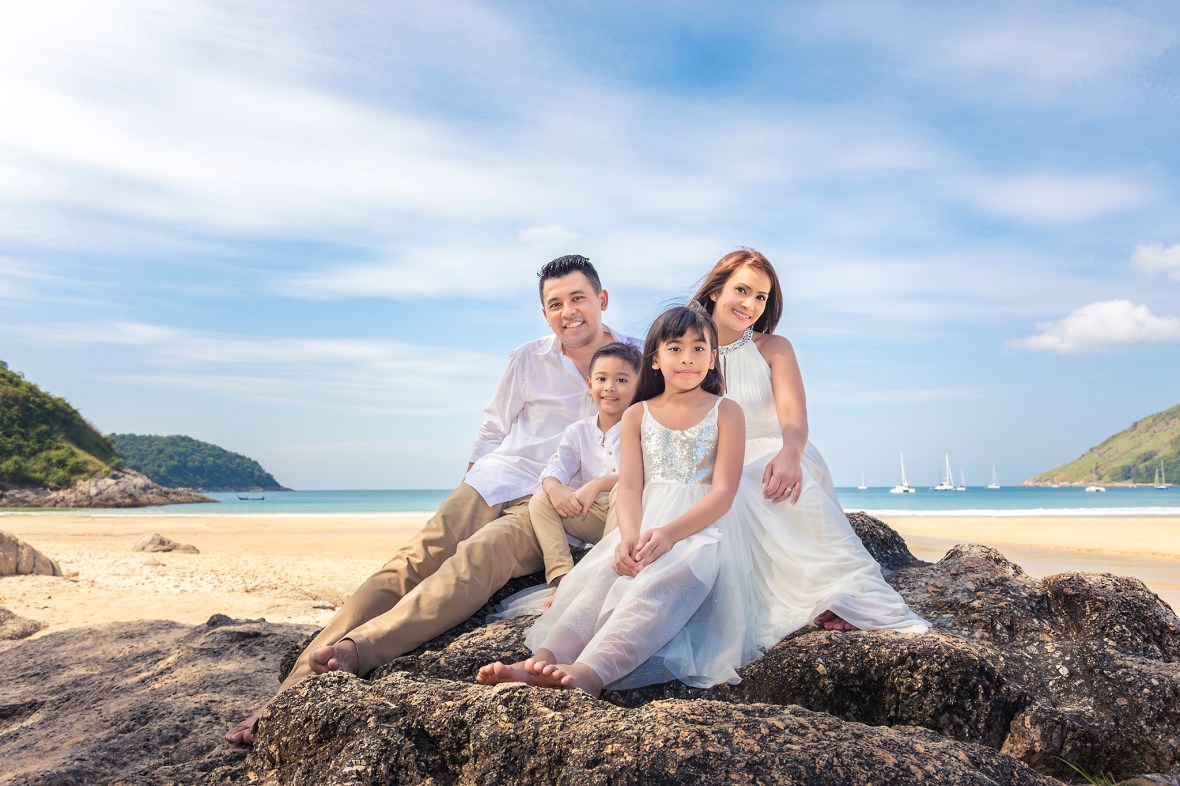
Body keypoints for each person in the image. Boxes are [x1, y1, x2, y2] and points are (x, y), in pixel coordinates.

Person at [224, 255, 639, 745]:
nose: (569, 312)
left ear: (601, 300)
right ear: (544, 312)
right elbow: (493, 425)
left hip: (552, 503)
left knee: (474, 561)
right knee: (408, 564)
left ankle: (361, 650)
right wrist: (473, 479)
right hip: (498, 479)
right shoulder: (529, 357)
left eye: (578, 299)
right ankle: (289, 695)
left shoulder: (636, 359)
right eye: (555, 304)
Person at [477, 305, 762, 696]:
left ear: (713, 359)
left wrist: (668, 534)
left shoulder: (726, 411)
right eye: (675, 348)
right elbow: (629, 487)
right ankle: (539, 661)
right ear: (656, 359)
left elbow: (724, 492)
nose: (688, 358)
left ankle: (591, 672)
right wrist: (628, 537)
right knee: (599, 583)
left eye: (699, 349)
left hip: (701, 531)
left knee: (655, 587)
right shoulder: (638, 415)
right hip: (642, 526)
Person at [691, 248, 928, 639]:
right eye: (742, 290)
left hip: (775, 447)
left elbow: (794, 417)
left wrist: (790, 453)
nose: (750, 304)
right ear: (716, 291)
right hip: (716, 461)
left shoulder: (774, 347)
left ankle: (844, 597)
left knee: (790, 489)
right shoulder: (685, 351)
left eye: (761, 297)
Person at [530, 341, 642, 588]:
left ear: (638, 386)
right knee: (539, 500)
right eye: (601, 379)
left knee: (620, 491)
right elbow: (556, 467)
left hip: (634, 516)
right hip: (593, 517)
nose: (610, 388)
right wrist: (553, 487)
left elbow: (647, 474)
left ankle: (605, 573)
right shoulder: (578, 431)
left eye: (622, 380)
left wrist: (600, 483)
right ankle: (562, 578)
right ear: (590, 385)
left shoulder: (644, 427)